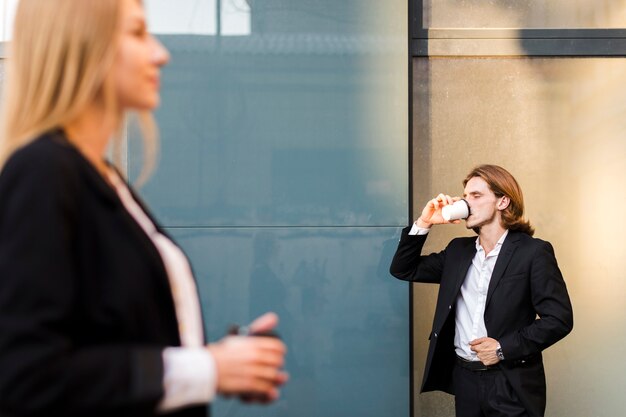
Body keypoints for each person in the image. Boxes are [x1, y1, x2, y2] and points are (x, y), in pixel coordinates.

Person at [0, 1, 287, 416]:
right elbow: (25, 375)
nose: (160, 53)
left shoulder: (104, 179)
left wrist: (226, 363)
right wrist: (207, 368)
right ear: (81, 46)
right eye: (137, 33)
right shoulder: (43, 172)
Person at [390, 164, 573, 417]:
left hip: (510, 382)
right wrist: (425, 222)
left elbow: (559, 319)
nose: (467, 203)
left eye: (476, 196)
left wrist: (502, 348)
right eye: (465, 196)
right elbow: (403, 269)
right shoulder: (457, 251)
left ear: (502, 201)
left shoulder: (533, 252)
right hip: (465, 380)